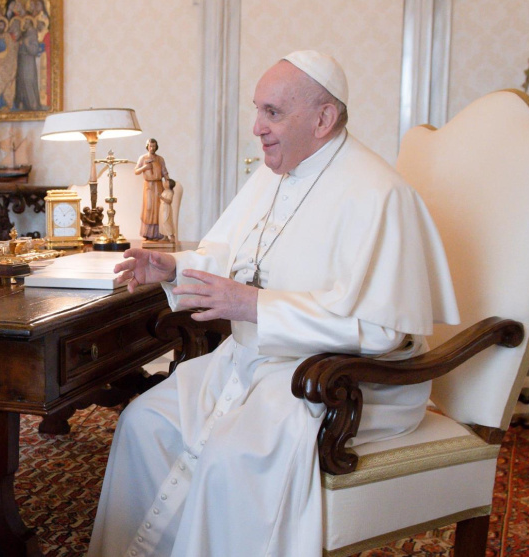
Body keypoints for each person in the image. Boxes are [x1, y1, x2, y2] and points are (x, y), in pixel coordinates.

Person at [89, 51, 459, 556]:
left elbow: (382, 330)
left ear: (323, 119)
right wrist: (175, 267)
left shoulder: (379, 194)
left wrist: (257, 307)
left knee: (231, 455)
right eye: (257, 109)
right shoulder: (273, 175)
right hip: (254, 362)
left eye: (273, 113)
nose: (257, 127)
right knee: (143, 423)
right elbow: (235, 256)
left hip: (338, 379)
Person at [133, 138, 170, 240]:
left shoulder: (160, 159)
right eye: (150, 146)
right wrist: (145, 167)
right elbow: (136, 171)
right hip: (148, 186)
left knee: (159, 208)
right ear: (147, 147)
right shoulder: (143, 158)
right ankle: (147, 233)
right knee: (148, 208)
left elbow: (164, 172)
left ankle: (159, 233)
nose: (152, 148)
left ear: (156, 147)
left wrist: (168, 183)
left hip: (158, 185)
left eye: (154, 146)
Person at [157, 178, 175, 243]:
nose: (165, 183)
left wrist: (161, 197)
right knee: (162, 221)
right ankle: (165, 236)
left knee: (166, 221)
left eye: (166, 182)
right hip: (162, 207)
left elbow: (169, 201)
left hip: (166, 208)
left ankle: (172, 236)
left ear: (170, 184)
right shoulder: (165, 191)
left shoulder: (170, 192)